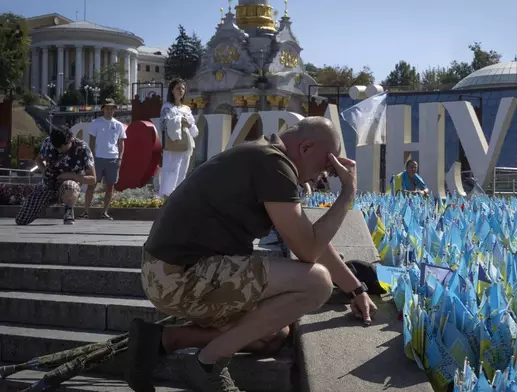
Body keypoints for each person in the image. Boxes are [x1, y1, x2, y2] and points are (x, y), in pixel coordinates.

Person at [125, 117, 377, 392]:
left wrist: (355, 289)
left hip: (168, 271)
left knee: (272, 335)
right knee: (317, 283)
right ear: (305, 148)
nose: (322, 176)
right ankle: (207, 364)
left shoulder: (266, 155)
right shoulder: (273, 164)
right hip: (179, 276)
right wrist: (347, 193)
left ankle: (162, 339)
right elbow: (308, 250)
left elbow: (305, 236)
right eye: (323, 166)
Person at [15, 127, 96, 225]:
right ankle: (44, 203)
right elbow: (38, 160)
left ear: (70, 139)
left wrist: (72, 176)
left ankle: (68, 211)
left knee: (69, 186)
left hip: (68, 185)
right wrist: (44, 171)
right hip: (48, 184)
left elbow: (92, 179)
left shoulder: (83, 149)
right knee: (21, 220)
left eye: (62, 146)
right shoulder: (48, 142)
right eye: (56, 147)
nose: (59, 149)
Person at [80, 98, 126, 220]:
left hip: (113, 158)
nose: (109, 110)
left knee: (110, 187)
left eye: (112, 108)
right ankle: (85, 211)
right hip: (98, 158)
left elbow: (121, 143)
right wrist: (92, 158)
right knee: (92, 185)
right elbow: (92, 141)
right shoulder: (96, 123)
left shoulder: (118, 125)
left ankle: (104, 212)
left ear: (114, 110)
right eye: (107, 108)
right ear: (103, 109)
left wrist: (120, 158)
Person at [158, 78, 199, 197]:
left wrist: (189, 124)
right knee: (171, 171)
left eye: (183, 88)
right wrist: (179, 121)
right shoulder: (167, 107)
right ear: (172, 90)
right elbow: (163, 124)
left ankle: (178, 197)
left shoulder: (186, 109)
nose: (181, 90)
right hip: (173, 143)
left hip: (186, 144)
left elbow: (194, 130)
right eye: (178, 88)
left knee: (182, 172)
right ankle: (166, 196)